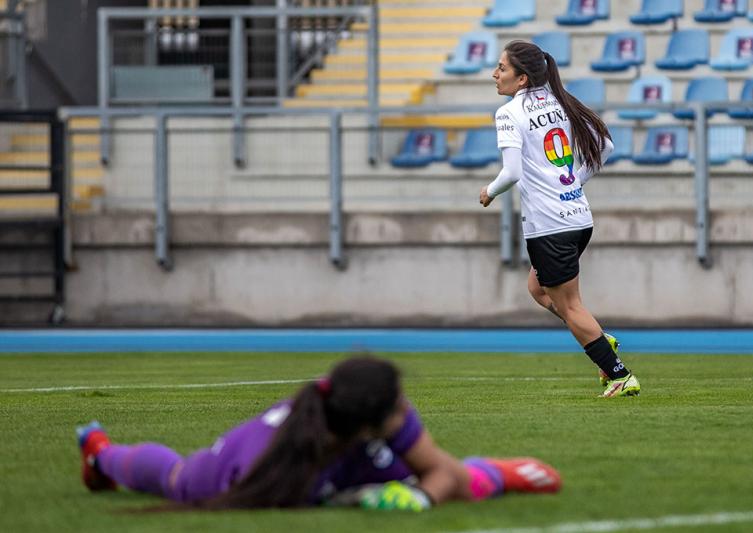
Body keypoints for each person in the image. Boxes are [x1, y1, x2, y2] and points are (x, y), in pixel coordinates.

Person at [77, 356, 561, 510]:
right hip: (225, 469)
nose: (408, 409)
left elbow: (442, 472)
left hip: (349, 462)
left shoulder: (382, 410)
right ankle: (101, 454)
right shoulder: (271, 467)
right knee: (177, 478)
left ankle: (496, 471)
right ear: (370, 424)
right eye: (400, 406)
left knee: (443, 476)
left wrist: (421, 498)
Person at [479, 40, 640, 398]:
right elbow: (606, 146)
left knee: (570, 306)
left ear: (522, 78)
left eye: (502, 68)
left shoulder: (509, 112)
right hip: (578, 216)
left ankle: (620, 375)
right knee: (537, 289)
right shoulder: (560, 101)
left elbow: (511, 172)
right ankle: (598, 337)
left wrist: (489, 191)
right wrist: (574, 182)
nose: (494, 74)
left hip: (550, 224)